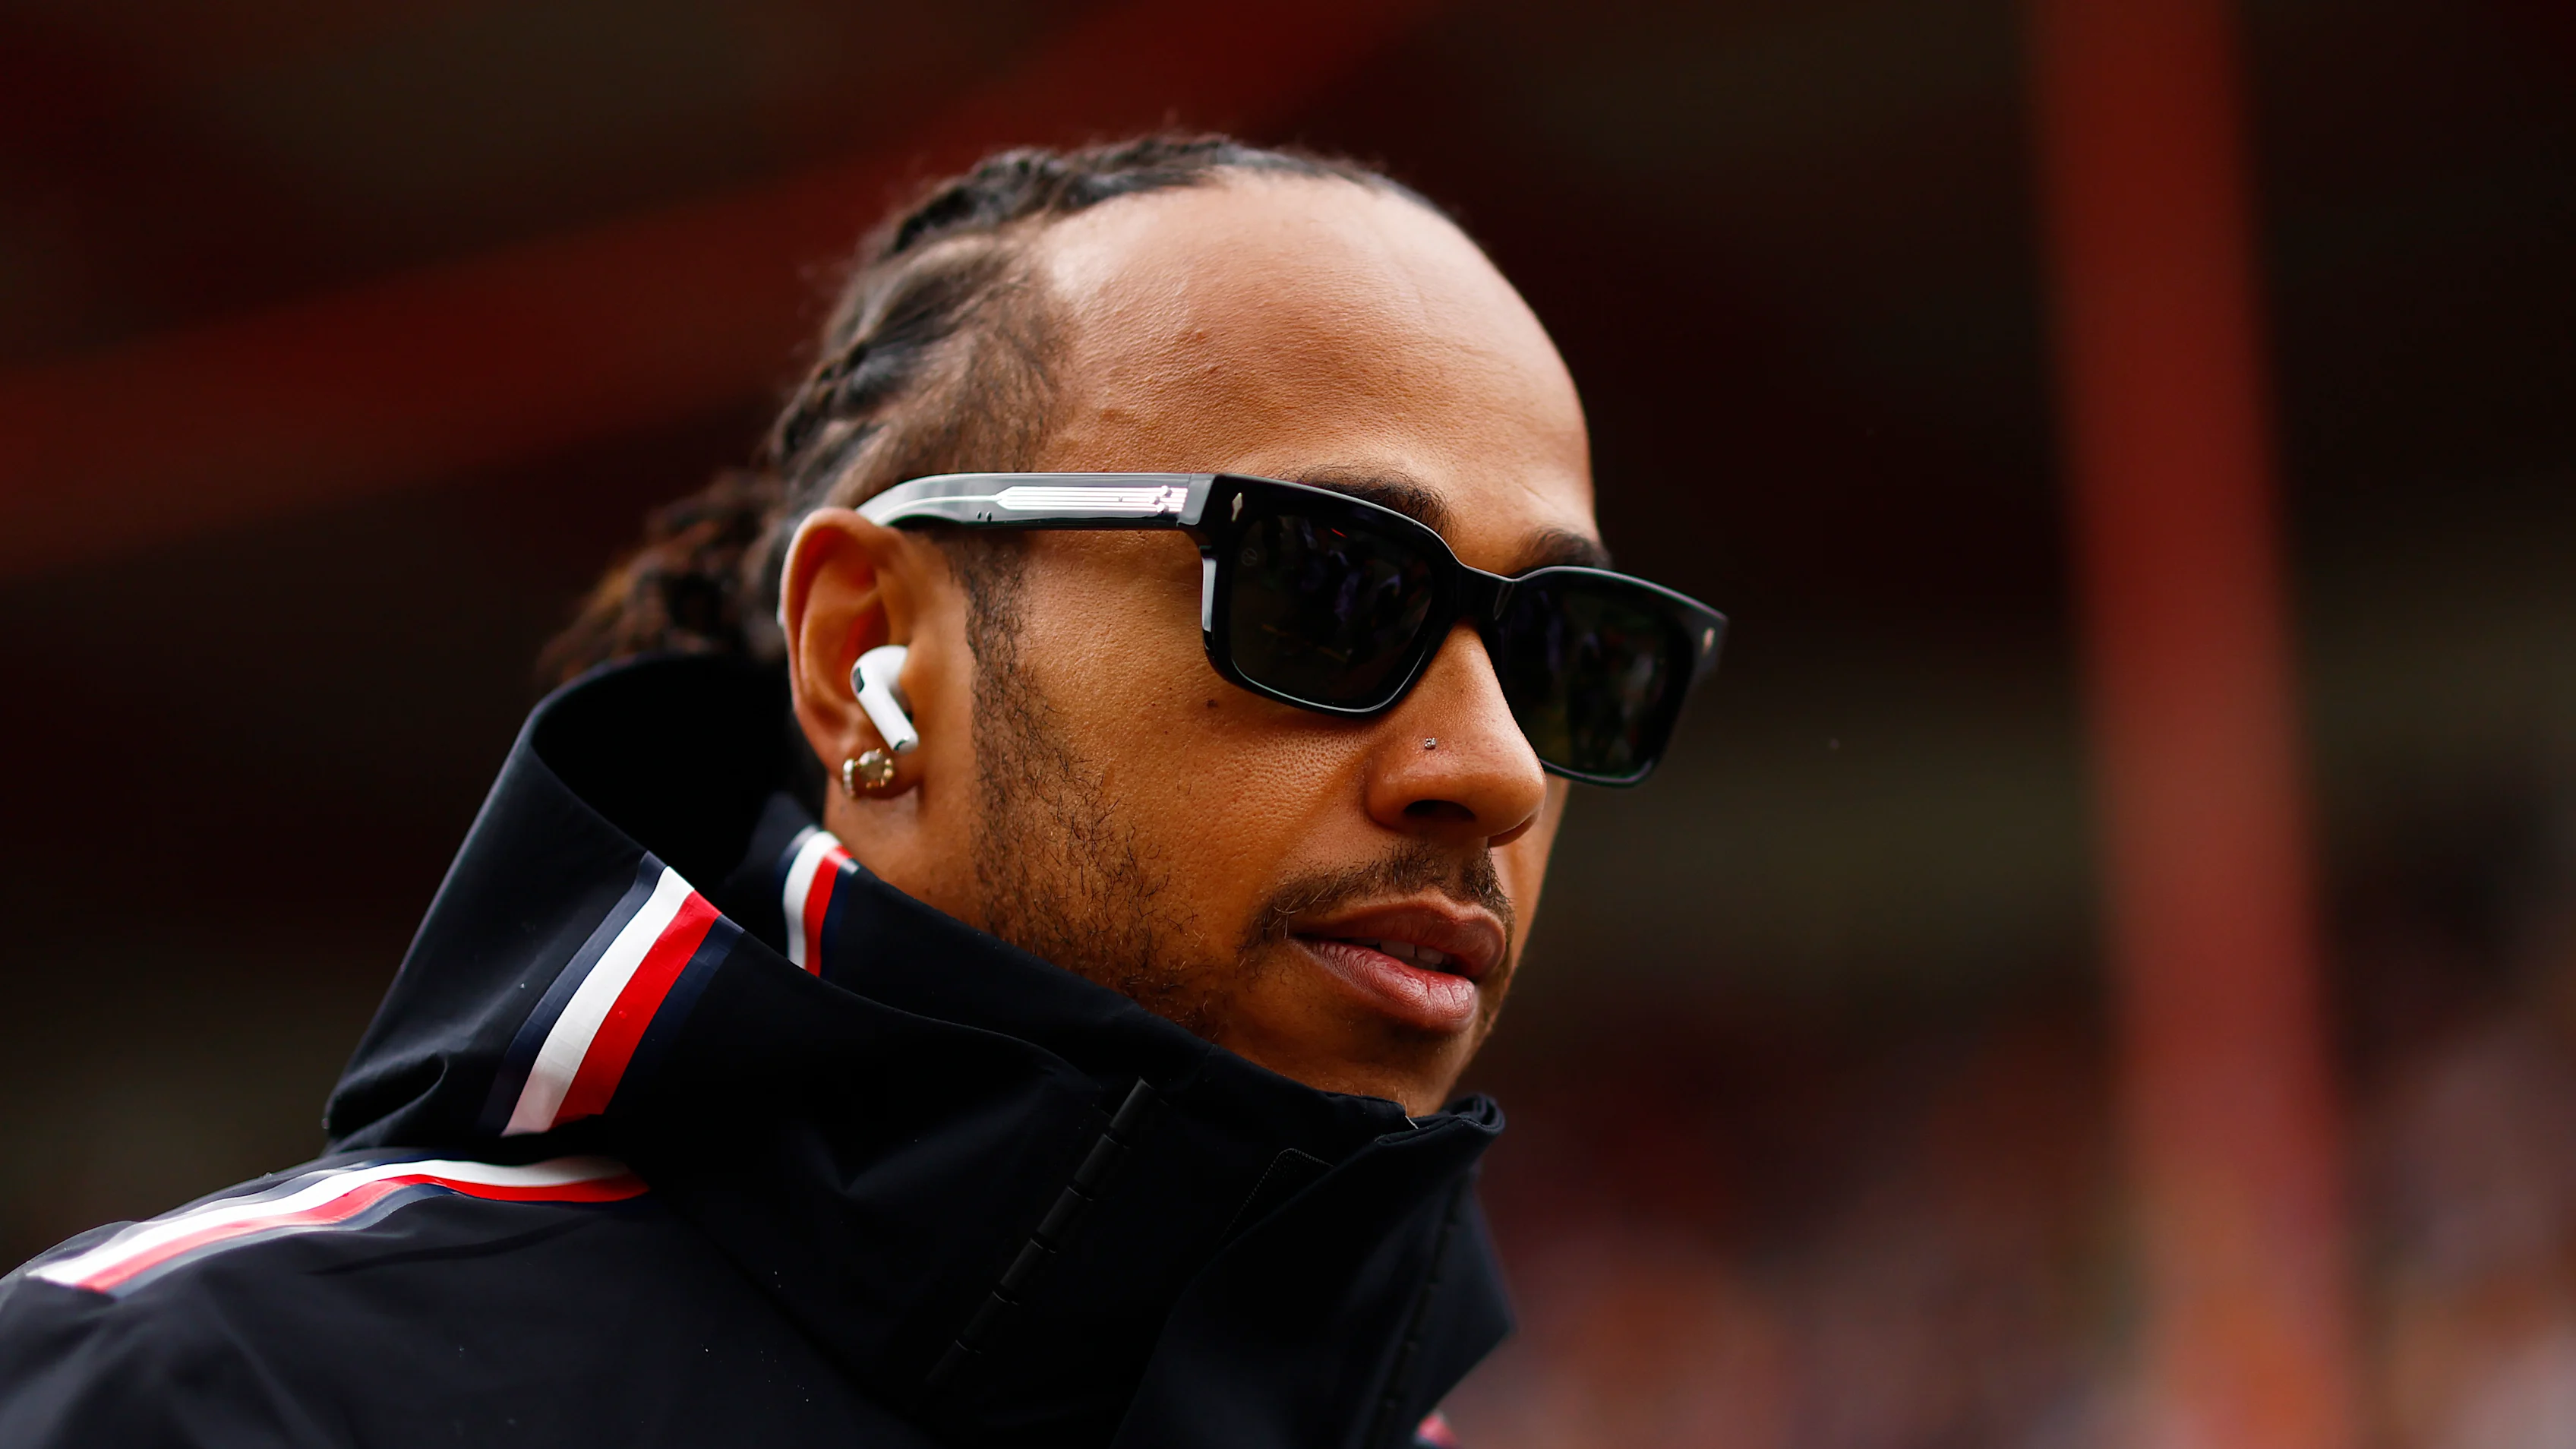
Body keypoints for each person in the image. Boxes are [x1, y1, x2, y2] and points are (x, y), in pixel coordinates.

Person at [0, 135, 1723, 1447]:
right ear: (865, 652)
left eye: (1568, 653)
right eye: (1328, 588)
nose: (1498, 769)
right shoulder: (189, 1393)